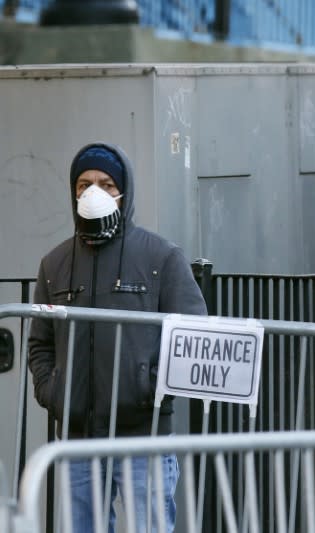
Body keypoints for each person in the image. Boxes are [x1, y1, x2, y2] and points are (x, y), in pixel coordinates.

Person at [28, 143, 208, 532]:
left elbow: (193, 332)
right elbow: (40, 343)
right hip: (78, 438)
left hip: (143, 435)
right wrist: (53, 390)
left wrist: (153, 387)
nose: (94, 192)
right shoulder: (53, 264)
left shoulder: (161, 258)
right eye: (84, 183)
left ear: (123, 191)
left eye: (107, 184)